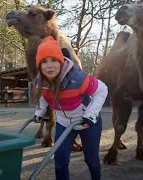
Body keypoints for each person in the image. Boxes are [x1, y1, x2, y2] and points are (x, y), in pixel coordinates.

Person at [34, 36, 108, 180]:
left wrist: (91, 115)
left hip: (87, 122)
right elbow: (43, 96)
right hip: (63, 122)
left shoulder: (77, 78)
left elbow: (102, 89)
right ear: (39, 65)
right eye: (44, 61)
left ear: (61, 61)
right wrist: (40, 111)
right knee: (60, 160)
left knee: (91, 159)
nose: (49, 66)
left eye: (53, 60)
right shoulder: (40, 81)